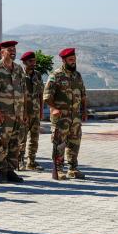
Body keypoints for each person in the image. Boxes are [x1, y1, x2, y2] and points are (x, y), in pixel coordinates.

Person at [0, 40, 28, 184]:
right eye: (10, 50)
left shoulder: (18, 69)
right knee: (1, 142)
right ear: (2, 52)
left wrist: (24, 111)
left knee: (15, 143)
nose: (13, 52)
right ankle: (2, 171)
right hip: (3, 112)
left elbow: (23, 91)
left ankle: (10, 170)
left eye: (14, 49)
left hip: (18, 113)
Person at [44, 48, 88, 180]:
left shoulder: (77, 76)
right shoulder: (56, 75)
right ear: (63, 60)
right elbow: (47, 96)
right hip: (61, 117)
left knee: (75, 141)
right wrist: (53, 108)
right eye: (70, 60)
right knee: (59, 143)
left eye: (74, 59)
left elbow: (83, 95)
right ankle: (58, 169)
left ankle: (73, 169)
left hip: (75, 116)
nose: (73, 62)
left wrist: (84, 110)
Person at [20, 51, 44, 171]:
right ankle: (20, 161)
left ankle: (31, 161)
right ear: (24, 62)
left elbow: (41, 94)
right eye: (31, 61)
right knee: (21, 138)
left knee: (34, 138)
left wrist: (41, 111)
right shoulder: (19, 75)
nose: (33, 63)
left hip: (35, 111)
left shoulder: (38, 75)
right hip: (23, 112)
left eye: (34, 61)